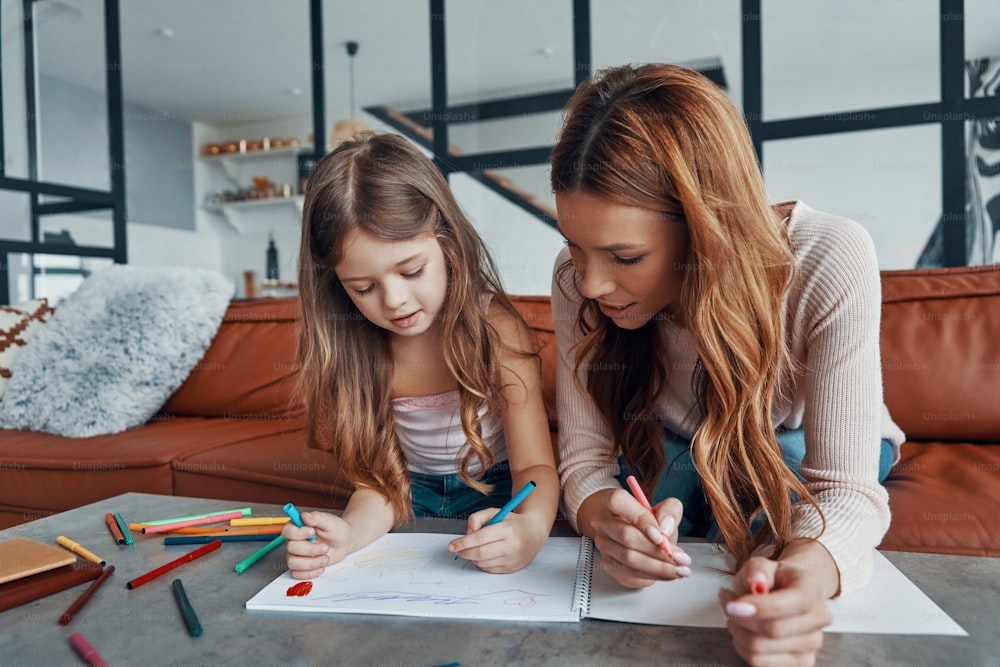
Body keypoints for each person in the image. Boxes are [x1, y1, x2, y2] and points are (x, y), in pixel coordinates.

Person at [550, 63, 905, 665]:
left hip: (789, 431)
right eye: (574, 247)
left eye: (625, 256)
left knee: (775, 509)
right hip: (674, 435)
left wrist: (806, 580)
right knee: (674, 486)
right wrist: (597, 518)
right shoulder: (577, 283)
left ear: (706, 229)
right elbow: (585, 460)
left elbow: (845, 492)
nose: (590, 284)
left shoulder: (829, 256)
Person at [284, 132, 558, 578]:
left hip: (499, 498)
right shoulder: (355, 346)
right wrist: (348, 535)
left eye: (412, 270)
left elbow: (536, 468)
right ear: (337, 285)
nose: (393, 301)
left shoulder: (496, 328)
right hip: (409, 502)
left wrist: (531, 528)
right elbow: (381, 488)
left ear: (447, 244)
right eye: (364, 288)